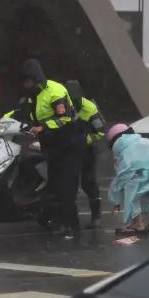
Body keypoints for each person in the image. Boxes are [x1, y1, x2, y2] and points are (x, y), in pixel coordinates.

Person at [20, 59, 85, 240]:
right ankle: (58, 222)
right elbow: (21, 112)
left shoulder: (55, 91)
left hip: (69, 144)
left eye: (28, 81)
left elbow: (64, 118)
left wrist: (43, 128)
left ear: (36, 78)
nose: (26, 85)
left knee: (67, 187)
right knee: (54, 185)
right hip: (52, 146)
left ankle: (72, 227)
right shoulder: (33, 96)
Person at [66, 80, 106, 229]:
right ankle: (71, 219)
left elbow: (100, 132)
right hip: (69, 150)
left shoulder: (90, 108)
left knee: (88, 182)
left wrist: (84, 141)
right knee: (69, 184)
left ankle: (96, 216)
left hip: (86, 150)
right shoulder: (62, 104)